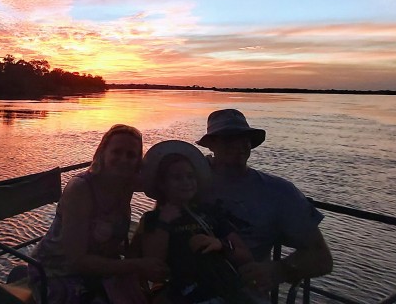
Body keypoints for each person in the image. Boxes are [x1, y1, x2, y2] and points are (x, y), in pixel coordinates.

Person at [197, 109, 333, 295]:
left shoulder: (279, 192)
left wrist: (278, 270)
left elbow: (321, 257)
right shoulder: (188, 180)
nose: (239, 145)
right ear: (211, 144)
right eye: (229, 138)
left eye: (245, 138)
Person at [29, 124, 168, 304]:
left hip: (102, 264)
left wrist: (205, 169)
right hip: (56, 271)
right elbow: (76, 261)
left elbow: (167, 182)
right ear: (102, 152)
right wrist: (137, 265)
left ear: (138, 161)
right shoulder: (80, 189)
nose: (123, 159)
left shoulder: (127, 183)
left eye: (131, 155)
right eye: (116, 152)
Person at [136, 140, 258, 304]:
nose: (186, 182)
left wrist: (220, 244)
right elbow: (153, 266)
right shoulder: (153, 219)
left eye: (190, 176)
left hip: (224, 290)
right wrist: (164, 222)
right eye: (177, 177)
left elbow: (246, 256)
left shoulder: (210, 213)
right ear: (162, 184)